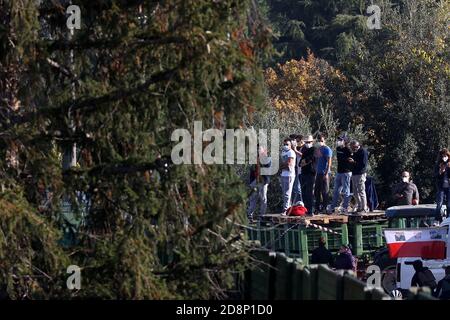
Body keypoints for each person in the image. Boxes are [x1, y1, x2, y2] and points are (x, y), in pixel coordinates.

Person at [328, 133, 352, 214]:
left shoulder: (348, 150)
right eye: (338, 139)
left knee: (346, 191)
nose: (338, 141)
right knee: (336, 191)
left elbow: (350, 160)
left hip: (346, 172)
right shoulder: (338, 148)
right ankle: (333, 206)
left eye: (340, 140)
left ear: (345, 141)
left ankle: (345, 207)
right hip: (339, 172)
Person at [247, 146, 271, 221]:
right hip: (254, 180)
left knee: (263, 198)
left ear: (264, 150)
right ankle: (249, 215)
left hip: (263, 181)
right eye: (257, 149)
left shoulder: (267, 158)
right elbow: (252, 169)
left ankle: (262, 216)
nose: (258, 150)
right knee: (253, 198)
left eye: (260, 149)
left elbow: (267, 168)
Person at [314, 133, 332, 214]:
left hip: (325, 173)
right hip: (318, 173)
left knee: (325, 191)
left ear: (324, 140)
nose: (320, 142)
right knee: (316, 191)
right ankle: (317, 208)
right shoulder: (319, 149)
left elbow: (329, 163)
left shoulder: (327, 149)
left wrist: (326, 174)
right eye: (318, 140)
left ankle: (325, 207)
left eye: (321, 140)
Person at [349, 140, 369, 213]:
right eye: (352, 148)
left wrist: (353, 162)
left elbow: (363, 165)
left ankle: (364, 207)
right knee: (355, 192)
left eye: (354, 148)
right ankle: (360, 206)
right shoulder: (355, 152)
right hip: (354, 173)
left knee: (361, 191)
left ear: (357, 146)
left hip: (361, 174)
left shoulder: (363, 152)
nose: (353, 149)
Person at [300, 135, 317, 215]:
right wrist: (304, 162)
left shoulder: (314, 149)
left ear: (312, 142)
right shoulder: (304, 150)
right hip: (303, 173)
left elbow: (310, 159)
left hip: (311, 173)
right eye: (306, 142)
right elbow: (300, 163)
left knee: (309, 192)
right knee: (303, 193)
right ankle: (306, 210)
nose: (307, 143)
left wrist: (304, 162)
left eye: (309, 142)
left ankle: (310, 210)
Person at [280, 139, 296, 213]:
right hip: (283, 174)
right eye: (284, 144)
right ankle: (288, 209)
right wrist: (283, 165)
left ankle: (285, 209)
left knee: (287, 193)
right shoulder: (283, 152)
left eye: (287, 144)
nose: (285, 146)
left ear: (290, 145)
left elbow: (289, 164)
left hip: (289, 175)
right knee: (284, 193)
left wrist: (282, 166)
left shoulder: (291, 153)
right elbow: (283, 164)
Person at [434, 149, 450, 219]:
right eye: (443, 156)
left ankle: (448, 218)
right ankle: (438, 219)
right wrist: (440, 172)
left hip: (449, 187)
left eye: (446, 156)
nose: (444, 157)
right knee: (439, 203)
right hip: (441, 187)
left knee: (449, 204)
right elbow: (435, 175)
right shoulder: (438, 165)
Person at [291, 134, 304, 204]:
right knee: (296, 188)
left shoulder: (304, 147)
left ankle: (302, 203)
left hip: (302, 171)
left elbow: (303, 155)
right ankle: (296, 204)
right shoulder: (298, 148)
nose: (296, 142)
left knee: (299, 188)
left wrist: (295, 150)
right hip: (297, 170)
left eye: (298, 140)